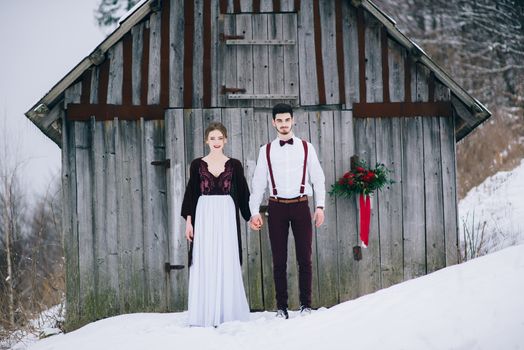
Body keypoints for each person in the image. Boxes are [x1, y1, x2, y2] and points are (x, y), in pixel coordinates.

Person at [249, 103, 326, 319]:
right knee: (279, 260)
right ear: (273, 122)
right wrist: (254, 211)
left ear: (293, 120)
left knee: (305, 258)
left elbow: (318, 178)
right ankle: (281, 308)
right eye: (279, 120)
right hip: (276, 207)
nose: (283, 124)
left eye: (287, 120)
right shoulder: (266, 150)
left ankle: (305, 305)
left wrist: (320, 206)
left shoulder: (306, 147)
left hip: (302, 205)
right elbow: (257, 184)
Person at [181, 122, 251, 327]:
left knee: (226, 257)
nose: (216, 142)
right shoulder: (197, 164)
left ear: (226, 139)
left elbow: (244, 195)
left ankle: (226, 312)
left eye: (220, 138)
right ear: (206, 140)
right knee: (205, 258)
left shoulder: (234, 165)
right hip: (204, 215)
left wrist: (251, 217)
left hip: (227, 216)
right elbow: (191, 194)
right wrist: (189, 222)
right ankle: (205, 312)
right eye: (212, 138)